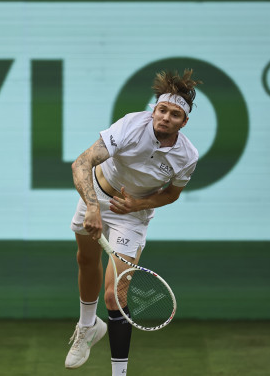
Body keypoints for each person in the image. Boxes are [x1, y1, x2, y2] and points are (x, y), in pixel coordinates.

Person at [64, 69, 202, 375]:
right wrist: (91, 206)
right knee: (86, 260)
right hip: (96, 197)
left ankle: (119, 373)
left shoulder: (187, 156)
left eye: (175, 114)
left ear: (184, 122)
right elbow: (81, 163)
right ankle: (88, 326)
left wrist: (139, 204)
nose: (165, 118)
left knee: (115, 295)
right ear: (154, 109)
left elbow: (171, 194)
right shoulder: (131, 125)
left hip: (133, 215)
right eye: (162, 110)